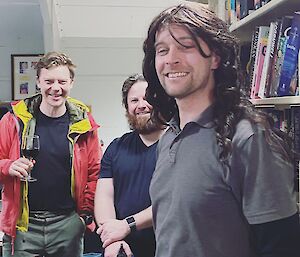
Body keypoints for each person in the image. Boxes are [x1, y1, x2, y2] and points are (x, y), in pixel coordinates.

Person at [142, 2, 299, 257]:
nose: (171, 59)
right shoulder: (169, 136)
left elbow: (281, 246)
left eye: (186, 46)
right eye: (162, 50)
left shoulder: (247, 138)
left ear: (215, 57)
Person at [0, 51, 102, 257]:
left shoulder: (84, 124)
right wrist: (7, 166)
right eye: (49, 81)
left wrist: (83, 218)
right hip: (23, 225)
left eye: (62, 81)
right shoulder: (13, 120)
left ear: (71, 83)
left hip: (67, 225)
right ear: (38, 82)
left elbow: (95, 173)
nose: (56, 88)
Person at [94, 74, 164, 257]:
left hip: (167, 247)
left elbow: (172, 203)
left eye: (147, 98)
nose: (141, 104)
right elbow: (104, 197)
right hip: (122, 249)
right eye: (134, 100)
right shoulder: (116, 147)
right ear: (127, 108)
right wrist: (113, 239)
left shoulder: (178, 145)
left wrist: (127, 225)